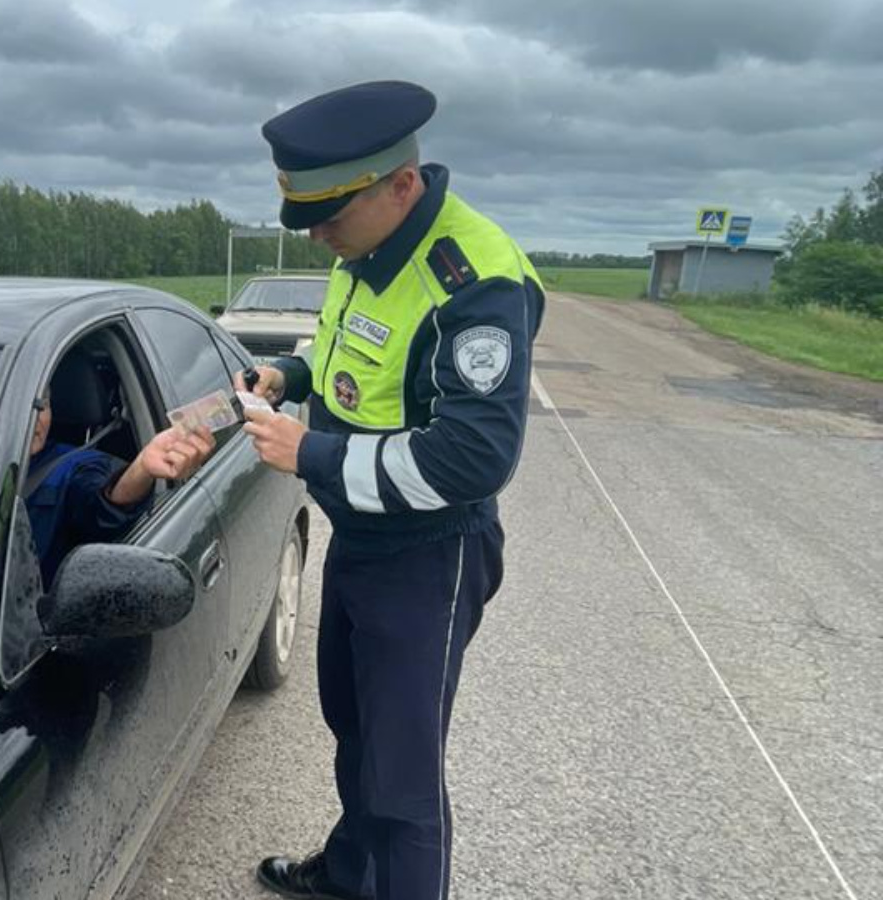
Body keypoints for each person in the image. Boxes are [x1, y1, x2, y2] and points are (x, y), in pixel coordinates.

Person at [237, 81, 545, 900]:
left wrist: (313, 455)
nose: (319, 239)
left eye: (331, 218)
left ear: (402, 185)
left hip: (430, 553)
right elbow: (357, 363)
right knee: (355, 733)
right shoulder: (368, 247)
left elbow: (472, 458)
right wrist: (291, 373)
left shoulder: (473, 278)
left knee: (405, 785)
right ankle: (349, 874)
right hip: (363, 538)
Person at [25, 378, 215, 587]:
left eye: (43, 404)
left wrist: (142, 468)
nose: (35, 417)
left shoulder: (72, 465)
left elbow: (101, 508)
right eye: (24, 405)